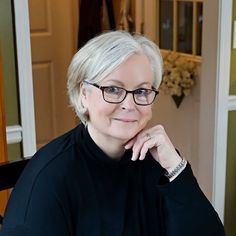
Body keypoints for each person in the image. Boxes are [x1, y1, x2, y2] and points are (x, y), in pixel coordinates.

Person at [0, 31, 225, 236]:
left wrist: (176, 167)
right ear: (83, 94)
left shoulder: (158, 159)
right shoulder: (48, 180)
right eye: (113, 89)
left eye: (142, 90)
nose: (129, 104)